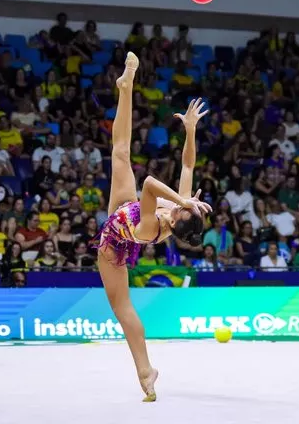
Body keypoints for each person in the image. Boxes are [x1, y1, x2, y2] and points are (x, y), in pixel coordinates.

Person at [96, 55, 211, 402]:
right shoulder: (177, 211)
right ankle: (125, 86)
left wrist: (182, 200)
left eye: (180, 208)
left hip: (116, 238)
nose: (180, 204)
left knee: (122, 307)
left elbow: (148, 183)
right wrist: (190, 131)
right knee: (119, 151)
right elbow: (188, 163)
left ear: (176, 220)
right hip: (124, 207)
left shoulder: (154, 225)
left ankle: (144, 370)